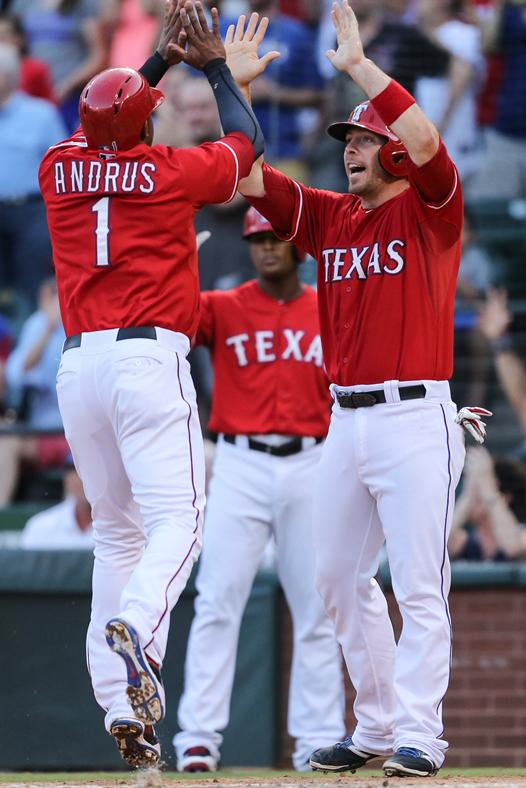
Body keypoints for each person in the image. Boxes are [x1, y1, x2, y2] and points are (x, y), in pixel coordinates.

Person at [229, 0, 467, 777]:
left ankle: (420, 736)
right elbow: (253, 177)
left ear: (395, 153)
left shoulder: (434, 211)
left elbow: (428, 140)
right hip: (348, 422)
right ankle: (374, 727)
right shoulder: (332, 219)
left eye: (365, 140)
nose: (352, 150)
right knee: (335, 577)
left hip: (413, 414)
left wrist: (360, 69)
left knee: (420, 588)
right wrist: (235, 91)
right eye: (349, 140)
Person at [38, 0, 268, 770]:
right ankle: (138, 625)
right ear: (144, 126)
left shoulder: (57, 166)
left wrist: (158, 61)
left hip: (78, 367)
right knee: (182, 520)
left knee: (116, 532)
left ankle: (120, 707)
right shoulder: (168, 172)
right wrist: (208, 64)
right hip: (145, 360)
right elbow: (248, 146)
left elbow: (110, 119)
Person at [174, 206, 345, 773]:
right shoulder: (223, 305)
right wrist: (178, 261)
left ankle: (316, 740)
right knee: (218, 600)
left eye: (275, 237)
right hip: (240, 463)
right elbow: (172, 318)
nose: (266, 247)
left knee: (318, 608)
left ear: (298, 245)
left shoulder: (330, 306)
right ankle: (197, 739)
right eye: (257, 239)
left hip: (312, 461)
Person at [0, 43, 66, 304]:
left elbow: (61, 166)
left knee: (33, 285)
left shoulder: (41, 115)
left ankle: (32, 340)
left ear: (6, 77)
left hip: (32, 212)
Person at [0, 277, 68, 505]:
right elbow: (16, 374)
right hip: (44, 431)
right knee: (6, 440)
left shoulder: (86, 320)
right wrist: (49, 329)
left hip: (82, 428)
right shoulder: (38, 324)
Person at [448, 445, 526, 561]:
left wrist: (488, 489)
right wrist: (467, 497)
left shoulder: (521, 534)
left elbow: (513, 547)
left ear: (505, 497)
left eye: (479, 486)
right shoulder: (464, 541)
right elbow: (438, 544)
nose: (474, 490)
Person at [20, 452, 93, 549]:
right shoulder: (40, 527)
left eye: (92, 470)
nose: (84, 477)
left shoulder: (119, 526)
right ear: (66, 478)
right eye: (76, 470)